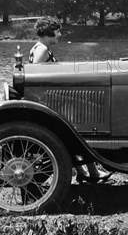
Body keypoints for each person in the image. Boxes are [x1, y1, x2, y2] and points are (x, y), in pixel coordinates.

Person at [29, 17, 112, 184]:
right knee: (81, 129)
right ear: (48, 32)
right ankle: (92, 172)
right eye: (57, 31)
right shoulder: (42, 50)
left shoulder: (38, 48)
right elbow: (35, 78)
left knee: (73, 133)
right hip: (51, 103)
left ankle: (83, 171)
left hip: (51, 101)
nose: (60, 34)